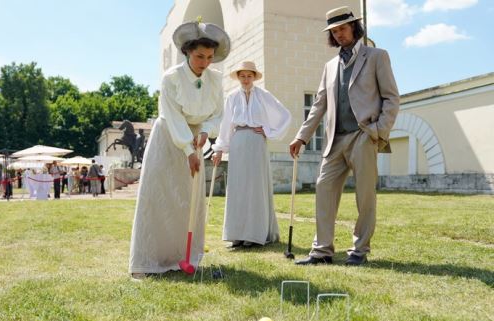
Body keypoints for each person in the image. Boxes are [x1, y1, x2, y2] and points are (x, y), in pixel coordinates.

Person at [289, 7, 399, 266]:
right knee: (323, 188)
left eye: (342, 28)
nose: (339, 34)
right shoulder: (329, 66)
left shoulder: (377, 56)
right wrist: (301, 137)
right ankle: (322, 251)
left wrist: (378, 131)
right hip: (335, 139)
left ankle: (359, 250)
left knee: (365, 196)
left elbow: (391, 98)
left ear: (354, 27)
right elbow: (319, 105)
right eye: (334, 31)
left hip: (364, 134)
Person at [129, 20, 230, 278]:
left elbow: (218, 113)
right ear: (187, 52)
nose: (204, 62)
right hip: (169, 139)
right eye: (199, 56)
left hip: (197, 138)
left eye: (209, 57)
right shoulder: (171, 78)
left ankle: (185, 257)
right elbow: (172, 116)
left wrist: (206, 133)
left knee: (188, 199)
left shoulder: (216, 80)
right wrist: (188, 151)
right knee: (160, 197)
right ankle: (151, 260)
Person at [212, 61, 291, 247]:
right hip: (238, 142)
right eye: (242, 76)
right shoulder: (231, 97)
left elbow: (284, 115)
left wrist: (268, 131)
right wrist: (219, 149)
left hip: (257, 143)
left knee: (256, 186)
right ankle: (237, 235)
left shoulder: (264, 96)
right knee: (238, 187)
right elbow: (226, 125)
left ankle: (254, 234)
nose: (246, 79)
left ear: (254, 77)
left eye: (249, 76)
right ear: (238, 77)